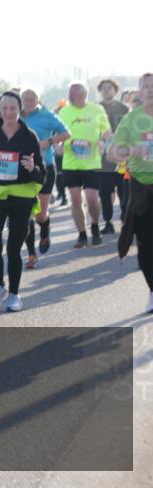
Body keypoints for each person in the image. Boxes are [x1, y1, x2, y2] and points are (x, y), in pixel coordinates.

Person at [0, 92, 45, 312]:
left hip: (21, 197)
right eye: (4, 108)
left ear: (20, 108)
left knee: (14, 248)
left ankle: (14, 293)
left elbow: (41, 174)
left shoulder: (29, 136)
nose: (8, 113)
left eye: (12, 108)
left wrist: (33, 169)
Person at [110, 72, 153, 314]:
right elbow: (112, 153)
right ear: (139, 91)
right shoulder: (131, 119)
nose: (150, 90)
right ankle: (152, 291)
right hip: (141, 187)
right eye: (145, 86)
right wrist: (130, 150)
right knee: (146, 243)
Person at [20, 88, 71, 268]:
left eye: (32, 98)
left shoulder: (47, 115)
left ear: (38, 99)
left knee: (40, 214)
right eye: (25, 98)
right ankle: (32, 255)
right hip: (22, 170)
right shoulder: (16, 117)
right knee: (27, 213)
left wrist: (48, 142)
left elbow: (66, 133)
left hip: (45, 167)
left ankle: (45, 229)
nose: (28, 101)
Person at [58, 82, 112, 248]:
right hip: (71, 162)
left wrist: (104, 142)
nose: (71, 98)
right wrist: (57, 146)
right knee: (75, 199)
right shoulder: (64, 111)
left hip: (92, 162)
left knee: (92, 199)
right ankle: (82, 234)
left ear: (83, 95)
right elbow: (57, 133)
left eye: (74, 95)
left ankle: (95, 225)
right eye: (70, 95)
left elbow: (107, 133)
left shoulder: (97, 110)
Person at [98, 78, 131, 233]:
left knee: (124, 190)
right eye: (103, 88)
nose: (106, 90)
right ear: (100, 90)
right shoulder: (95, 109)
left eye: (109, 88)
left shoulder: (124, 109)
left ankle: (125, 219)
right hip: (103, 158)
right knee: (105, 192)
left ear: (115, 90)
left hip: (122, 157)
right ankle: (108, 222)